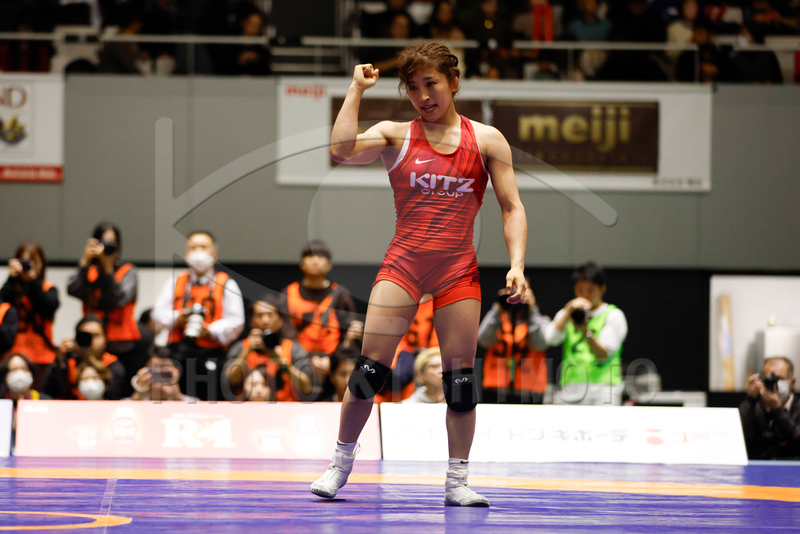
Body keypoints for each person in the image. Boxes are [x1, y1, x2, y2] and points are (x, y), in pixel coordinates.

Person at [310, 42, 528, 507]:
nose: (423, 96)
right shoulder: (395, 134)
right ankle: (339, 464)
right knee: (368, 372)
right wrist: (356, 89)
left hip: (457, 272)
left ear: (454, 83)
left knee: (460, 381)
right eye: (413, 88)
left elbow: (512, 206)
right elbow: (341, 150)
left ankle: (457, 481)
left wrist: (517, 265)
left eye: (432, 84)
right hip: (404, 266)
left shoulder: (487, 140)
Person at [152, 230, 245, 401]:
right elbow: (157, 315)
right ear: (186, 254)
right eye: (193, 248)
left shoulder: (227, 283)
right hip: (177, 353)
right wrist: (178, 317)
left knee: (211, 400)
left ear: (214, 254)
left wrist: (210, 330)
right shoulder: (175, 281)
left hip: (211, 354)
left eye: (203, 247)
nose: (198, 252)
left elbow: (237, 321)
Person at [67, 222, 151, 398]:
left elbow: (118, 299)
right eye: (102, 242)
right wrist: (84, 262)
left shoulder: (129, 271)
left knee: (122, 392)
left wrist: (107, 269)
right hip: (93, 343)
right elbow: (72, 289)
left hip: (122, 344)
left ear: (118, 247)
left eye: (111, 243)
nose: (106, 248)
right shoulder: (89, 270)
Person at [544, 262, 628, 406]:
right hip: (572, 387)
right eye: (579, 290)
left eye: (590, 290)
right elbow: (551, 339)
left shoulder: (613, 315)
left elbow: (603, 355)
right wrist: (567, 311)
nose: (584, 295)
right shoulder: (568, 313)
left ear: (602, 289)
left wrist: (585, 331)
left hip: (604, 389)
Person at [223, 295, 312, 401]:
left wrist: (282, 362)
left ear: (280, 320)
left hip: (284, 408)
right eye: (259, 315)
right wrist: (246, 352)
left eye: (270, 315)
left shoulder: (293, 349)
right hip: (248, 408)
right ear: (251, 321)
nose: (265, 320)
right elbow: (229, 382)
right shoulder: (241, 348)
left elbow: (306, 388)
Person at [283, 241, 358, 357]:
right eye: (309, 256)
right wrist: (304, 358)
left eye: (320, 256)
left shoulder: (341, 294)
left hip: (334, 360)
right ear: (301, 264)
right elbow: (286, 331)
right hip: (297, 359)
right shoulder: (289, 293)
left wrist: (332, 359)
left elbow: (347, 330)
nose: (314, 260)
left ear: (329, 265)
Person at [477, 285, 550, 404]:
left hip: (530, 392)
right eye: (514, 292)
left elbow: (540, 344)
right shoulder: (498, 319)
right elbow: (483, 340)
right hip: (495, 390)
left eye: (523, 291)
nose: (517, 296)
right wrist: (498, 306)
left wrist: (532, 310)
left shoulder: (541, 320)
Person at [2, 243, 57, 389]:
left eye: (33, 261)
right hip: (11, 358)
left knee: (39, 398)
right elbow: (2, 307)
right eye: (24, 261)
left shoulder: (48, 289)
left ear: (41, 264)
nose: (28, 265)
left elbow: (48, 309)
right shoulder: (11, 289)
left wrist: (32, 281)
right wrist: (11, 279)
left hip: (41, 357)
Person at [44, 315, 126, 400]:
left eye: (96, 335)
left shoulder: (113, 364)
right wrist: (60, 362)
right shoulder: (68, 361)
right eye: (85, 335)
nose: (91, 340)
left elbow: (113, 396)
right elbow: (51, 393)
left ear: (105, 339)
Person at [739, 356, 800, 460]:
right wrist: (750, 400)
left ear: (792, 383)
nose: (774, 384)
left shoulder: (798, 406)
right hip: (759, 465)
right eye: (768, 379)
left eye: (780, 379)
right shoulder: (754, 406)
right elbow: (741, 439)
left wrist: (778, 410)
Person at [128, 347, 199, 402]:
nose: (159, 372)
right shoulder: (130, 401)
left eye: (165, 368)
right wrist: (139, 391)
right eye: (153, 368)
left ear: (177, 371)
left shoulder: (193, 402)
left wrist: (176, 397)